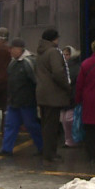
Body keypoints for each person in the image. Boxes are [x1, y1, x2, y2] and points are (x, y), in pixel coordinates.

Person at [0, 38, 43, 157]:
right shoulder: (13, 62)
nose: (10, 51)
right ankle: (6, 149)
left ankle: (42, 147)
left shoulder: (28, 62)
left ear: (19, 49)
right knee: (10, 125)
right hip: (14, 101)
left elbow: (36, 81)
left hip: (27, 101)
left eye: (12, 48)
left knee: (31, 125)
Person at [35, 29, 71, 162]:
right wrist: (67, 87)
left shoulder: (41, 52)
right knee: (52, 126)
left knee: (46, 125)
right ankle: (50, 154)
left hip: (42, 93)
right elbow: (58, 72)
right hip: (53, 95)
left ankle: (47, 151)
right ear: (54, 39)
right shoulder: (54, 52)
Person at [60, 45, 81, 148]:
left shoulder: (73, 67)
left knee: (69, 119)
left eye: (67, 54)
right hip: (66, 97)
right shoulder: (64, 66)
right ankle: (68, 140)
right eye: (63, 55)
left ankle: (72, 139)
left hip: (71, 97)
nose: (65, 57)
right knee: (65, 119)